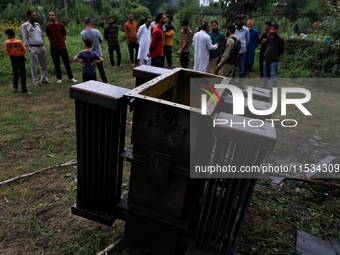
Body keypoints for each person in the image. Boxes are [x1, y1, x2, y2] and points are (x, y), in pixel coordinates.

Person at [46, 11, 77, 84]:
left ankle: (71, 77)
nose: (51, 16)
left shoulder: (61, 25)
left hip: (62, 47)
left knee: (66, 63)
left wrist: (61, 41)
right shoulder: (48, 26)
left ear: (55, 16)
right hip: (53, 48)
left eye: (52, 15)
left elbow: (64, 35)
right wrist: (54, 43)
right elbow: (49, 36)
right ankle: (59, 78)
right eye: (50, 15)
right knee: (57, 63)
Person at [21, 10, 50, 87]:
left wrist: (44, 45)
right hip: (33, 48)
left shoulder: (37, 25)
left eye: (35, 15)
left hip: (42, 47)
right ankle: (36, 81)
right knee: (34, 66)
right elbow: (25, 38)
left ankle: (44, 79)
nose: (35, 16)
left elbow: (41, 35)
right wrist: (29, 49)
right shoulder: (25, 26)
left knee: (44, 64)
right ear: (29, 17)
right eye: (33, 15)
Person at [80, 17, 108, 83]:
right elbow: (101, 41)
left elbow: (85, 42)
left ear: (85, 23)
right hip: (98, 53)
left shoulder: (82, 33)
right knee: (101, 70)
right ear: (91, 23)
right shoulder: (96, 31)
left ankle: (88, 82)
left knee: (88, 69)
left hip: (88, 54)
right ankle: (105, 81)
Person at [5, 29, 30, 94]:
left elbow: (7, 52)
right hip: (20, 58)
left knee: (15, 73)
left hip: (13, 59)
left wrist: (13, 54)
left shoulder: (7, 42)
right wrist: (18, 54)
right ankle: (24, 90)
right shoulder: (19, 42)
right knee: (22, 74)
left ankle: (15, 88)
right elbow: (24, 51)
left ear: (8, 35)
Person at [262, 24, 285, 88]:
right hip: (266, 59)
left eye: (274, 30)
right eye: (272, 29)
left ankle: (274, 88)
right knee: (265, 74)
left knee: (274, 75)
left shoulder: (280, 40)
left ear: (277, 30)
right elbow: (266, 47)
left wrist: (276, 55)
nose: (273, 31)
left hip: (274, 60)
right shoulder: (268, 39)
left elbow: (282, 50)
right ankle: (264, 86)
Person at [232, 15, 249, 83]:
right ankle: (232, 81)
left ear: (242, 21)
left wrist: (243, 45)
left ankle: (241, 82)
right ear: (235, 21)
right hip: (234, 51)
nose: (238, 22)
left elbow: (247, 40)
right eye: (237, 20)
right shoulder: (233, 28)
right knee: (233, 67)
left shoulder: (246, 30)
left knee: (241, 68)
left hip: (242, 51)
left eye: (240, 20)